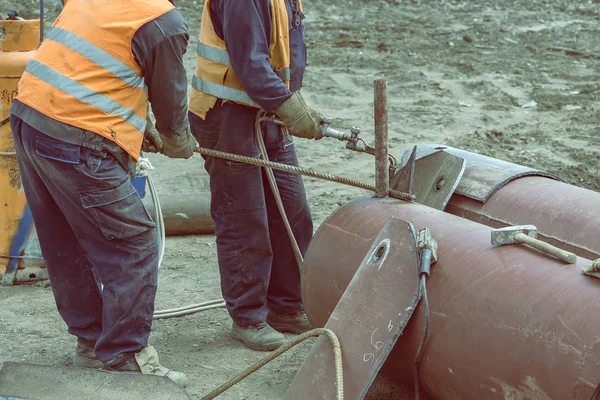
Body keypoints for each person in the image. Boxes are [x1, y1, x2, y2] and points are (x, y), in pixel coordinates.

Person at [9, 0, 196, 386]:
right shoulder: (162, 23)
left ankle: (92, 343)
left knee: (63, 235)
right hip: (75, 139)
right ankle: (125, 355)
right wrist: (178, 140)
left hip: (31, 116)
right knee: (134, 242)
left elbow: (96, 66)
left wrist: (132, 122)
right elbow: (171, 103)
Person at [188, 0, 324, 351]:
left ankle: (287, 307)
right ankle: (248, 317)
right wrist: (289, 106)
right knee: (244, 220)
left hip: (267, 111)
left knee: (292, 213)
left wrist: (291, 102)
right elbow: (250, 62)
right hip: (227, 115)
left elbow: (283, 50)